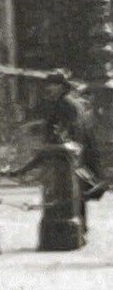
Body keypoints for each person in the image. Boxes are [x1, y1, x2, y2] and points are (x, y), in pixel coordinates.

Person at [40, 70, 107, 204]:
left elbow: (70, 122)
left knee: (75, 166)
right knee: (78, 166)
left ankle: (95, 184)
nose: (48, 88)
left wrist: (64, 137)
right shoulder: (70, 100)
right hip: (82, 139)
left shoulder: (64, 102)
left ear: (61, 86)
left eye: (52, 84)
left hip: (75, 139)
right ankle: (95, 184)